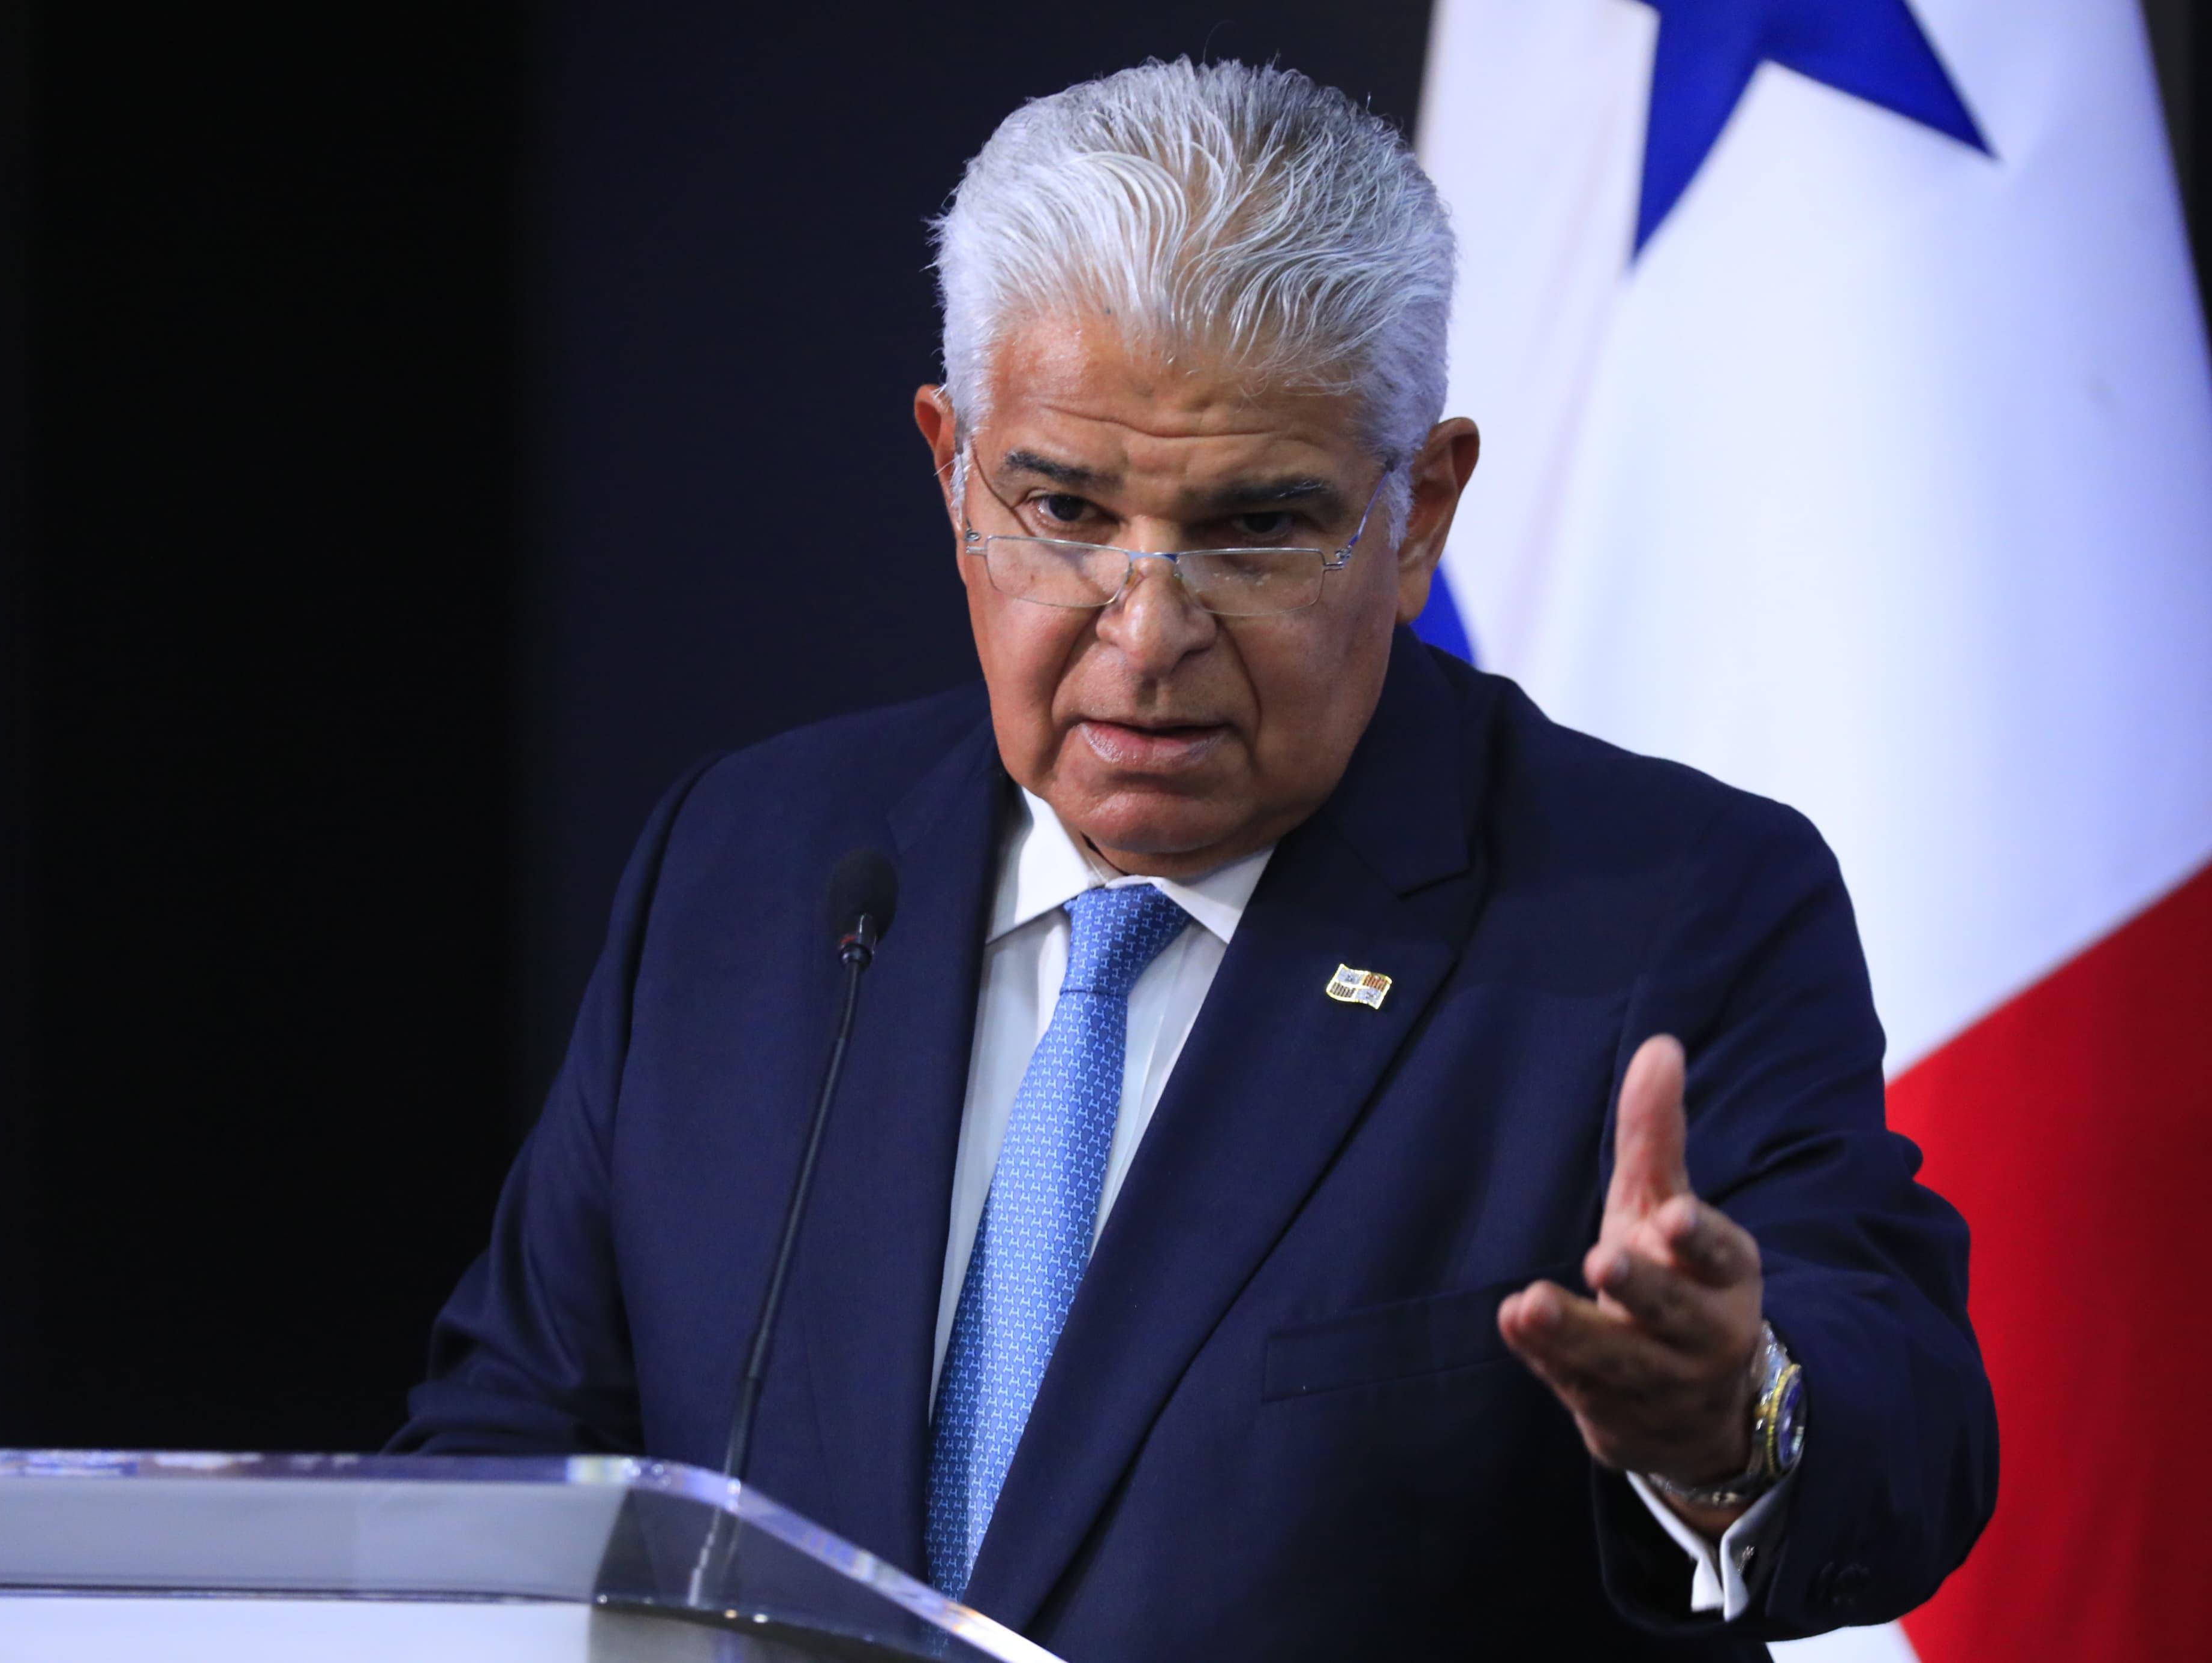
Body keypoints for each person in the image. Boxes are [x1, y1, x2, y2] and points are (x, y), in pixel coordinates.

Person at [395, 60, 1996, 1659]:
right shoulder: (750, 866)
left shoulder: (1664, 910)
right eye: (1065, 512)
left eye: (1256, 529)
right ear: (952, 465)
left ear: (1419, 511)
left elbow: (1904, 1428)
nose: (1147, 633)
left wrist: (1729, 1421)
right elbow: (512, 1452)